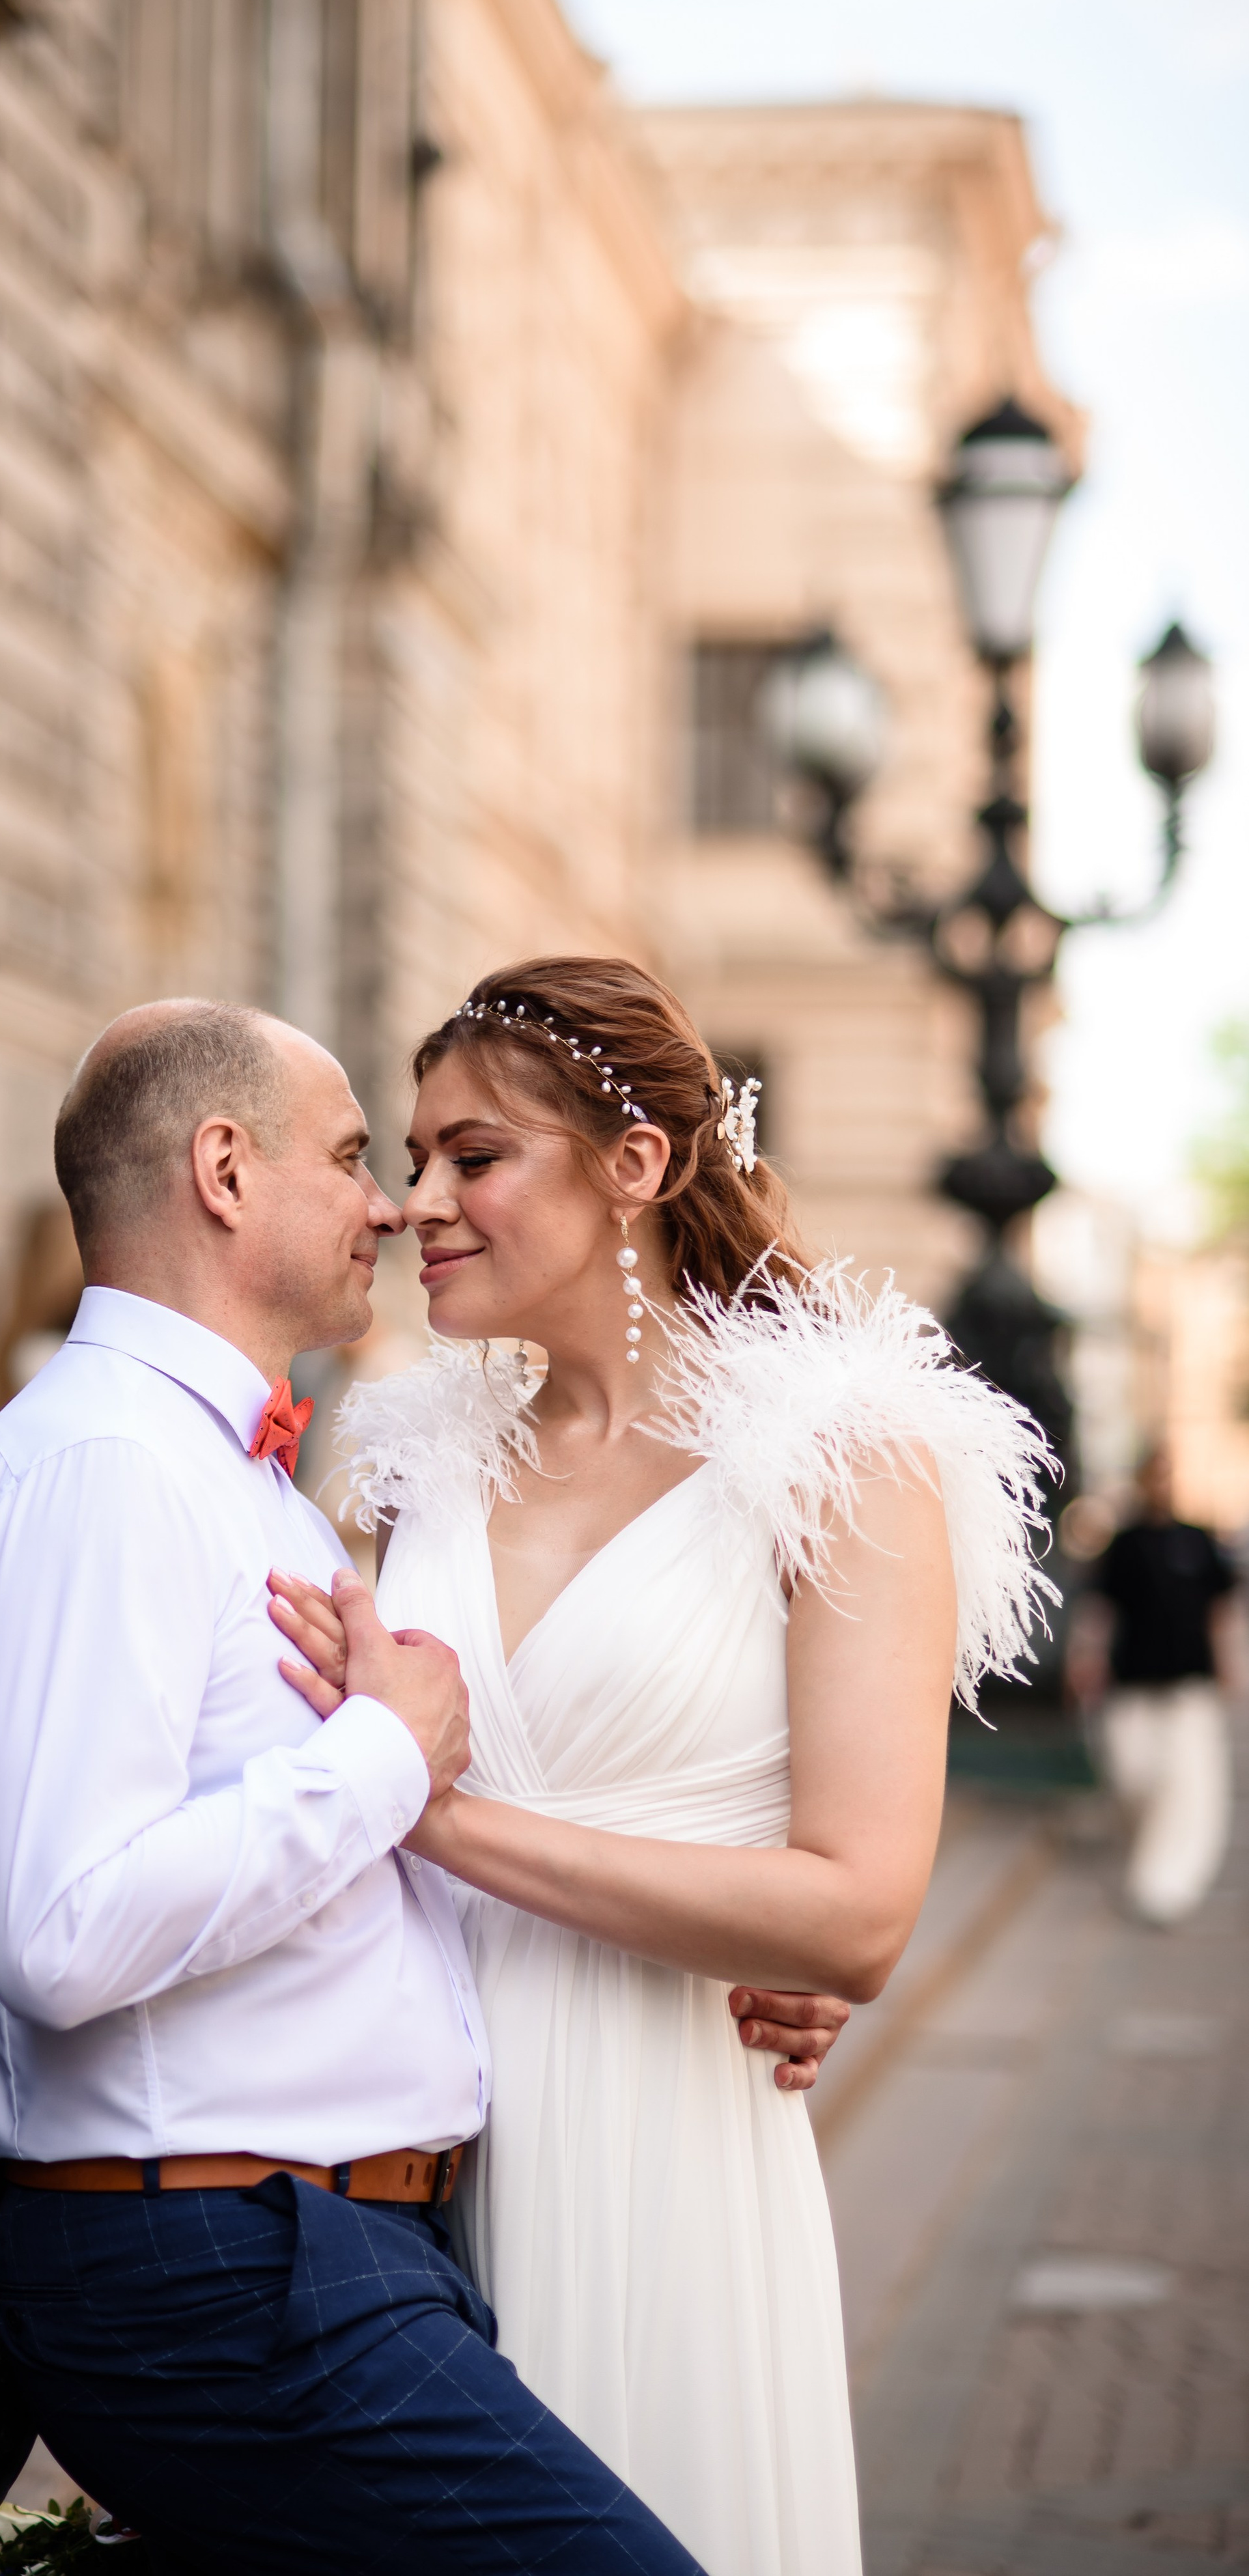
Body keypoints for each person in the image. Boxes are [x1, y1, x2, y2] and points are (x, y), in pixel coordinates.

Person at [0, 997, 847, 2576]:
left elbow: (349, 1865)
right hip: (232, 2268)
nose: (390, 1203)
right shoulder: (107, 1468)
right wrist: (380, 1753)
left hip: (332, 2250)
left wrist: (727, 1921)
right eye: (358, 1155)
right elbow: (64, 1932)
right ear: (222, 1168)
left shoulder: (245, 1477)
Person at [275, 957, 1055, 2576]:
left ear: (633, 1163)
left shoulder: (844, 1455)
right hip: (404, 2165)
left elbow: (847, 1911)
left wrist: (439, 1811)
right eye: (412, 1157)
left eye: (470, 1155)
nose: (418, 1199)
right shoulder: (413, 1466)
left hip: (670, 2151)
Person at [1073, 1445, 1237, 1926]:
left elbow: (1220, 1610)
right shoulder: (1124, 1544)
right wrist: (1086, 1660)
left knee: (1188, 1784)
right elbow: (1100, 1609)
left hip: (1191, 1687)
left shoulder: (1199, 1540)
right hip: (1133, 1685)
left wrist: (1230, 1664)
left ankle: (1166, 1887)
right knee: (1133, 1776)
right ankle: (1148, 1864)